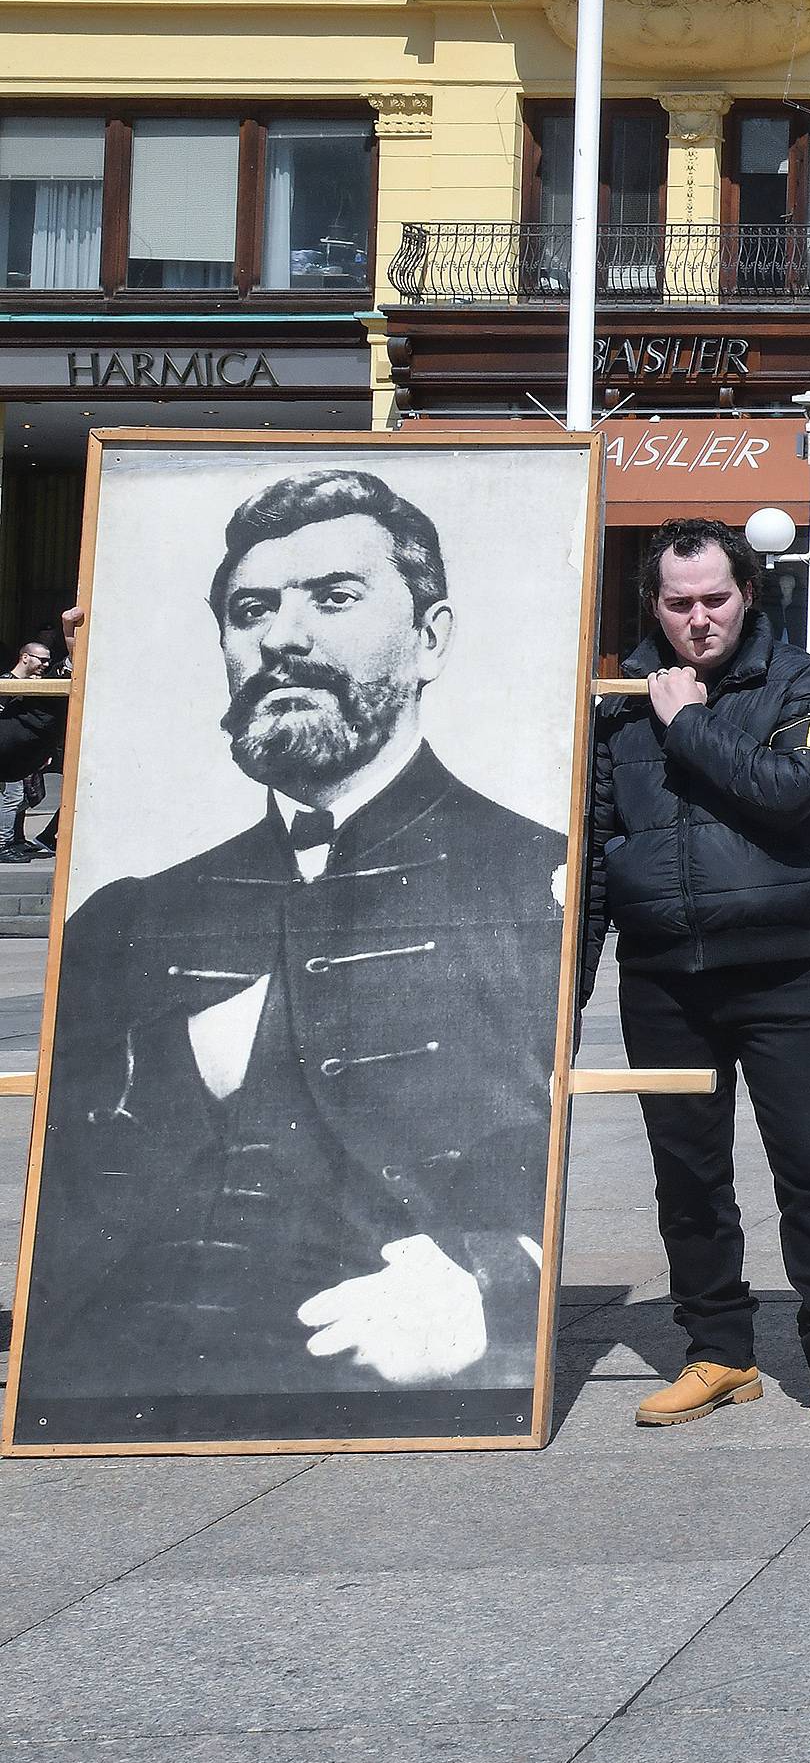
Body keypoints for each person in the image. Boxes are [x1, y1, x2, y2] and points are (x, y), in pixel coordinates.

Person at [19, 474, 566, 1438]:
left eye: (335, 596)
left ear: (431, 637)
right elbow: (70, 1195)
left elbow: (547, 1136)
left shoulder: (536, 879)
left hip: (417, 1405)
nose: (281, 637)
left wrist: (492, 1280)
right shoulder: (129, 919)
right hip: (117, 1405)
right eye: (251, 609)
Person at [586, 516, 810, 1438]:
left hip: (782, 971)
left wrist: (689, 721)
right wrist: (565, 994)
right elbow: (599, 846)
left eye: (715, 598)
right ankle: (719, 1350)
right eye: (678, 604)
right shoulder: (618, 700)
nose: (698, 619)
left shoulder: (807, 682)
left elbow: (794, 791)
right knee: (687, 1174)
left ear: (747, 591)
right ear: (656, 605)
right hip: (664, 974)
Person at [0, 611, 79, 858]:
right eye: (41, 659)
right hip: (7, 756)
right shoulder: (6, 683)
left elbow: (69, 665)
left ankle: (17, 839)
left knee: (24, 798)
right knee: (12, 798)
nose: (45, 664)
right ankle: (4, 845)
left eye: (47, 660)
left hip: (24, 758)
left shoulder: (40, 686)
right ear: (25, 658)